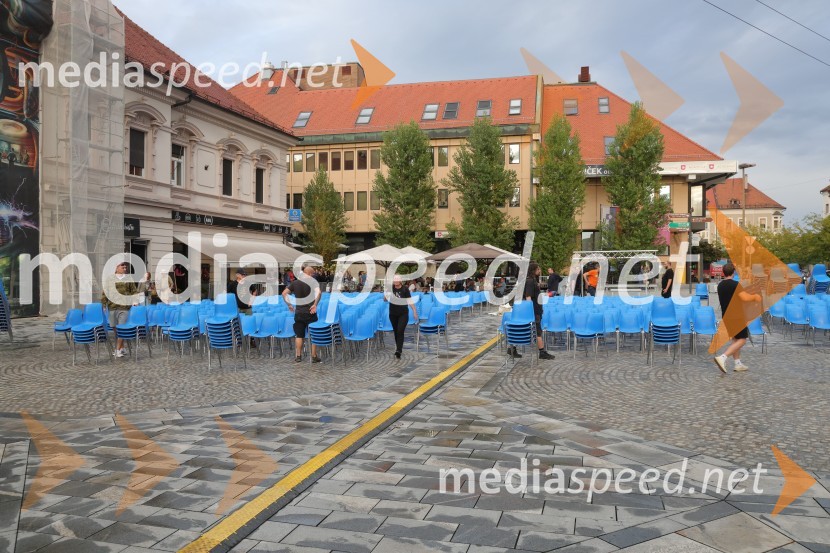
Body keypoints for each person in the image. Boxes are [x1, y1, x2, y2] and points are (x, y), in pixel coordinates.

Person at [713, 263, 763, 373]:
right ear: (733, 272)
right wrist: (755, 297)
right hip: (737, 316)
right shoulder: (735, 285)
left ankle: (738, 364)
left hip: (726, 316)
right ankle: (723, 357)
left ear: (723, 273)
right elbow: (744, 298)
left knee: (735, 339)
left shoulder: (720, 285)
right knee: (742, 340)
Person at [102, 261, 150, 358]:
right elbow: (105, 291)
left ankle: (117, 349)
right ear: (117, 268)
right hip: (112, 306)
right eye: (122, 267)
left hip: (124, 307)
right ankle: (122, 347)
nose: (124, 269)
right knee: (115, 328)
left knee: (122, 327)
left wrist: (135, 300)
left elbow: (134, 291)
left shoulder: (129, 278)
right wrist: (103, 303)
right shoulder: (110, 279)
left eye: (125, 267)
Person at [511, 263, 555, 360]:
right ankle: (542, 352)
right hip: (533, 311)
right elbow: (528, 297)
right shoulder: (530, 281)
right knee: (538, 331)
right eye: (538, 269)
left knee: (524, 330)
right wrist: (530, 313)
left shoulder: (531, 280)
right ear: (534, 270)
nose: (539, 271)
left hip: (536, 310)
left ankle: (512, 348)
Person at [282, 265, 321, 363]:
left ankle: (298, 356)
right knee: (313, 335)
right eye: (313, 274)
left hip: (299, 312)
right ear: (310, 273)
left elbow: (284, 293)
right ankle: (314, 356)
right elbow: (319, 293)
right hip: (311, 312)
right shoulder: (313, 282)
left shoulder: (295, 283)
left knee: (299, 335)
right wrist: (315, 304)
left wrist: (289, 305)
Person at [387, 275, 418, 359]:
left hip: (403, 314)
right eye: (394, 279)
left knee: (400, 330)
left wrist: (414, 311)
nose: (396, 281)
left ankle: (399, 350)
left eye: (397, 279)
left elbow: (409, 300)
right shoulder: (390, 288)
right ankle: (398, 348)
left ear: (400, 281)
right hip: (393, 313)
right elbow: (385, 299)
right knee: (396, 331)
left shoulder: (405, 289)